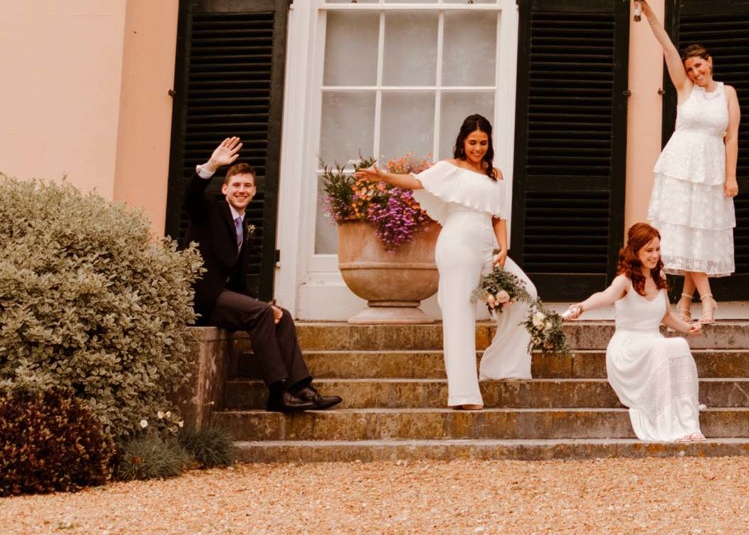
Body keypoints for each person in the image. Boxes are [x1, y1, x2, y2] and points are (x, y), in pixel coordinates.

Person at [351, 114, 528, 407]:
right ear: (462, 141)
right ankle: (464, 395)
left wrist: (504, 247)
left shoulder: (495, 174)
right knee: (460, 315)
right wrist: (383, 176)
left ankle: (500, 366)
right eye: (473, 142)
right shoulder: (450, 168)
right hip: (457, 244)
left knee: (527, 294)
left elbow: (498, 216)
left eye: (483, 143)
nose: (478, 148)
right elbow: (415, 181)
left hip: (489, 247)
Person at [186, 137, 340, 414]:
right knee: (262, 314)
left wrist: (264, 304)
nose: (241, 190)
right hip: (203, 300)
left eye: (247, 186)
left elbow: (239, 282)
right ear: (224, 189)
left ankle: (301, 387)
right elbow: (190, 196)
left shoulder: (246, 227)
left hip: (224, 299)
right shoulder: (210, 211)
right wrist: (211, 164)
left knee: (281, 314)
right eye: (236, 185)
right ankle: (277, 393)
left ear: (254, 191)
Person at [637, 0, 737, 324]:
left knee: (701, 232)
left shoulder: (728, 93)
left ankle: (684, 301)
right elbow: (666, 46)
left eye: (699, 65)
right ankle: (707, 300)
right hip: (680, 165)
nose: (695, 72)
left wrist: (730, 176)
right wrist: (647, 9)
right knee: (687, 231)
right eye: (690, 68)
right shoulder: (684, 89)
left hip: (711, 166)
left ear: (710, 61)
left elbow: (732, 135)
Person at [563, 223, 706, 443]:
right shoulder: (624, 281)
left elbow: (665, 315)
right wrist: (581, 307)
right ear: (635, 252)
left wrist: (688, 328)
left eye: (657, 249)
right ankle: (667, 424)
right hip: (628, 349)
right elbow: (605, 296)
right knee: (663, 347)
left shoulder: (661, 279)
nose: (655, 255)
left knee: (679, 344)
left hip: (653, 344)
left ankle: (687, 421)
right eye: (649, 250)